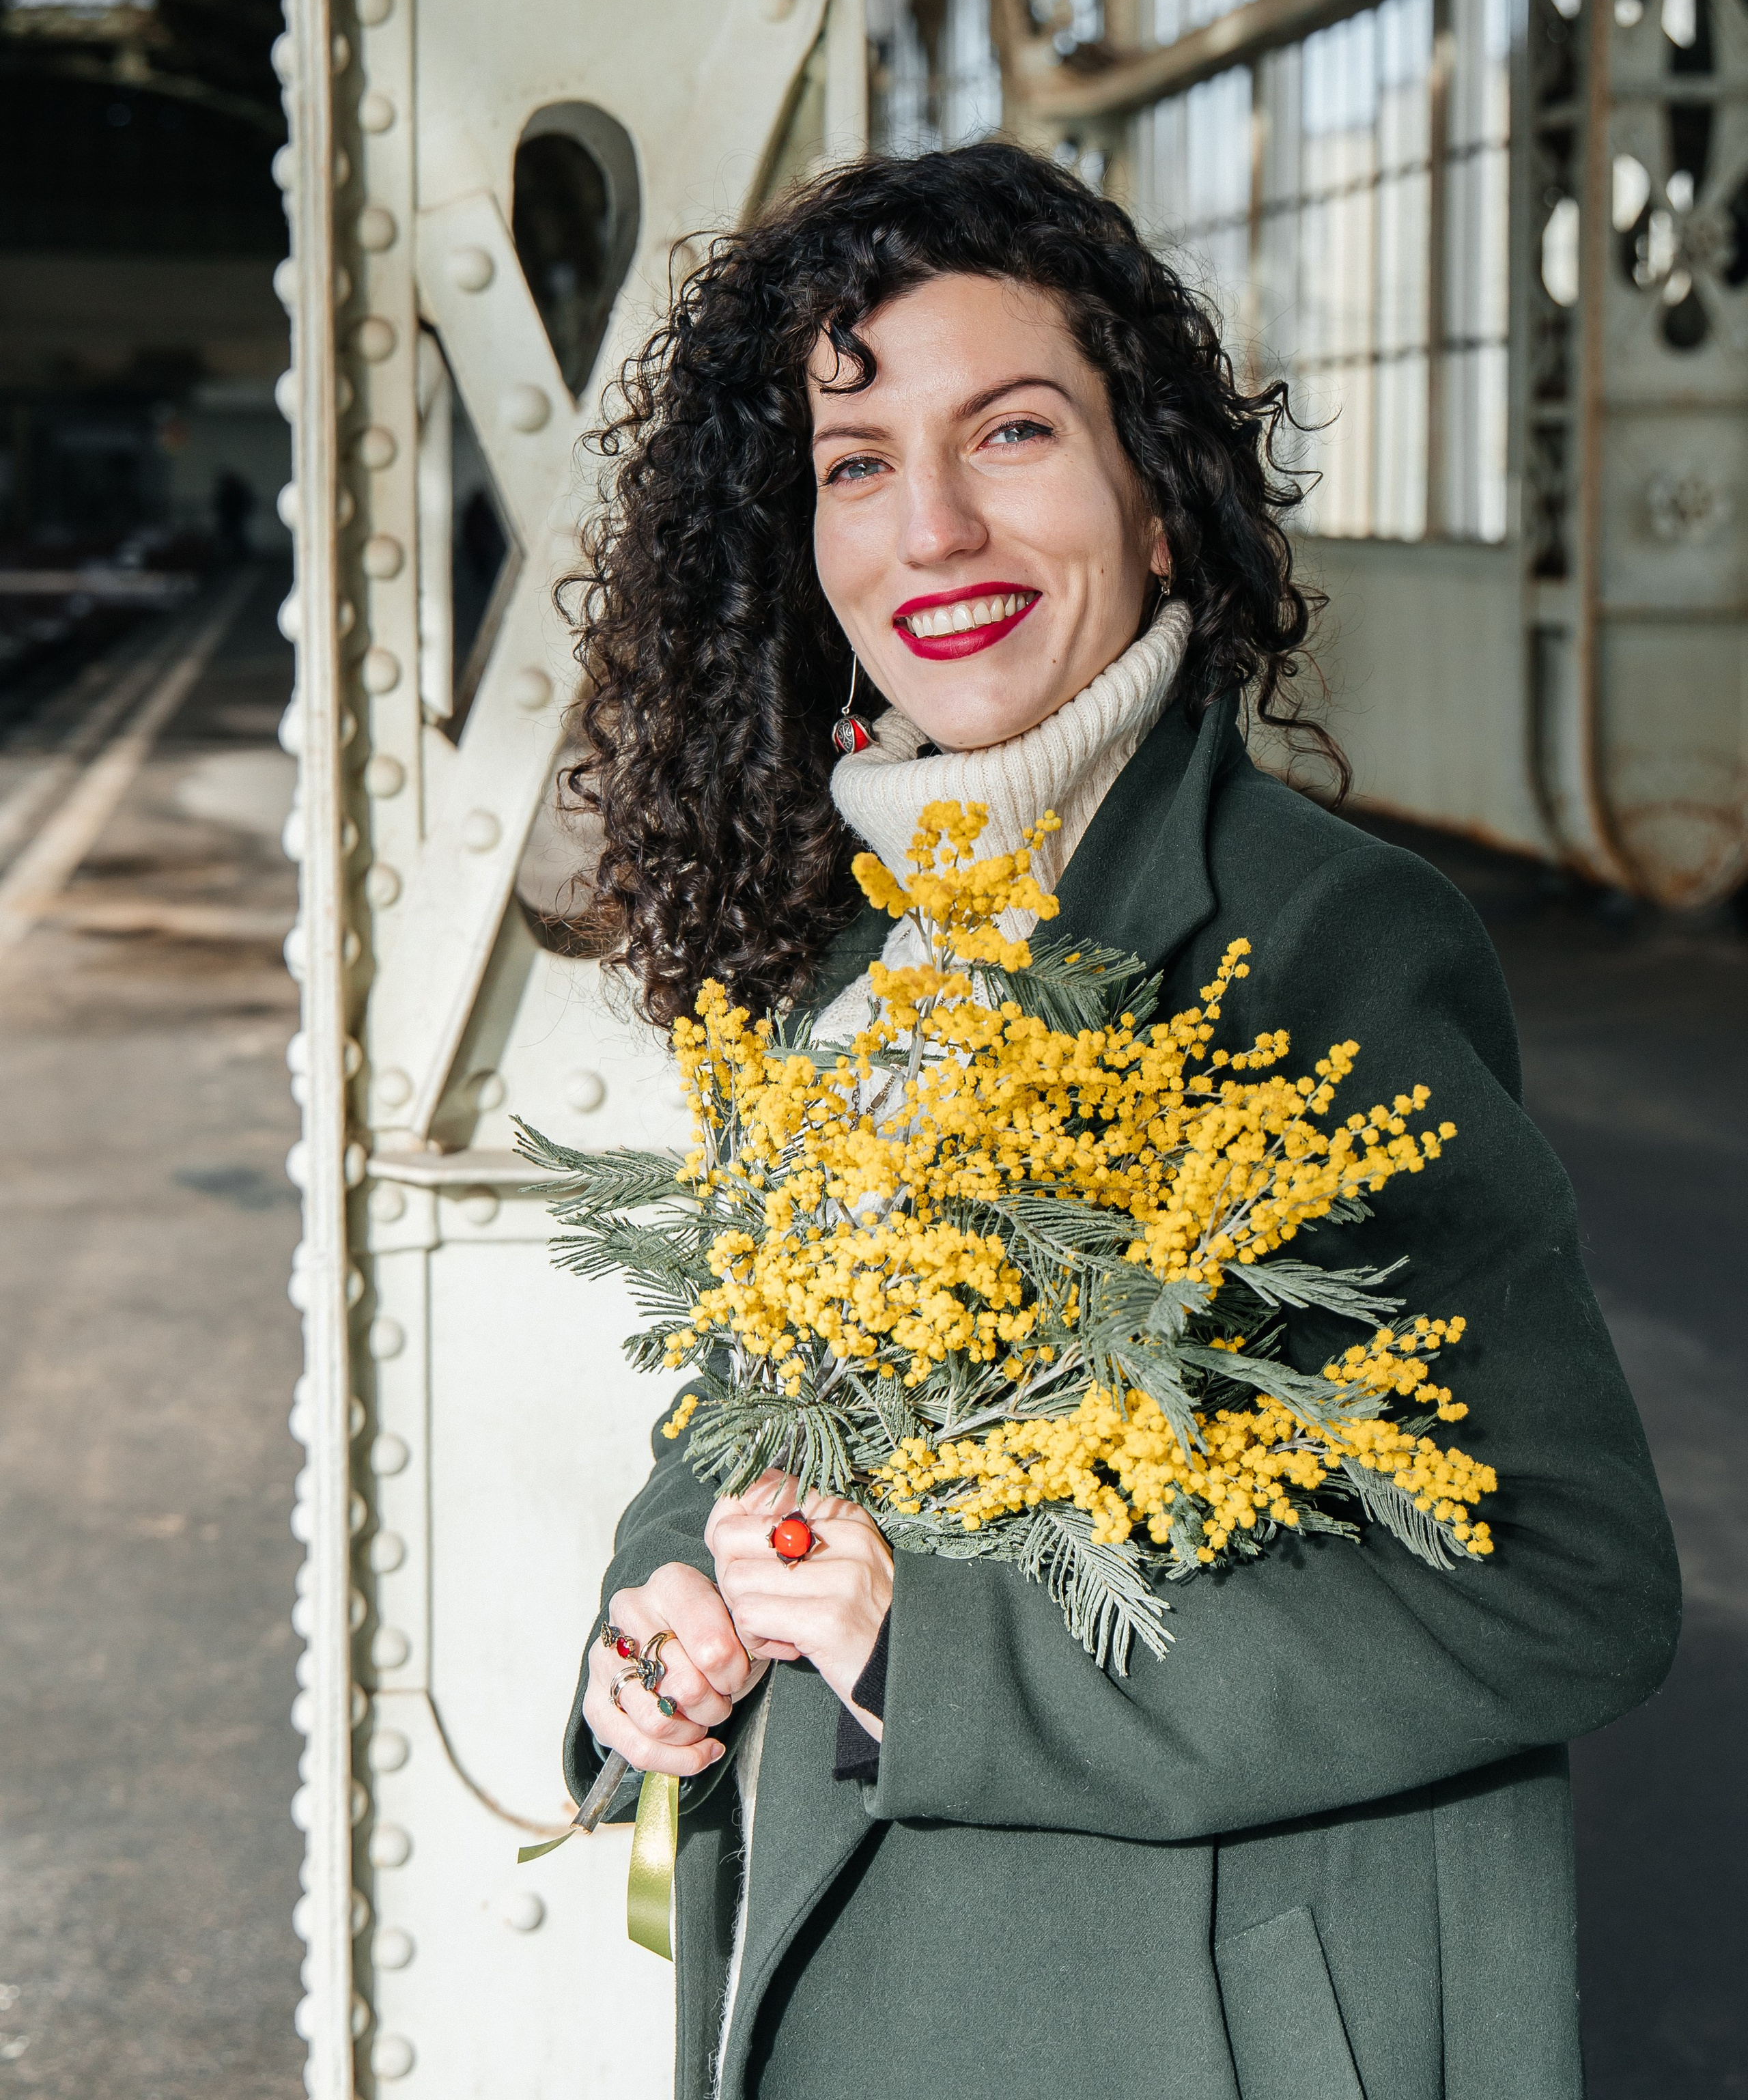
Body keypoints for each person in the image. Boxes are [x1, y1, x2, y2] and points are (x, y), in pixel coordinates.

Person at [557, 143, 1678, 2100]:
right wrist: (660, 1619)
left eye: (1012, 433)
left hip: (1180, 2024)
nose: (931, 528)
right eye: (855, 465)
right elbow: (748, 1411)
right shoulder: (841, 961)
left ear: (1160, 505)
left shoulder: (1332, 951)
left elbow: (1565, 1587)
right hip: (847, 1990)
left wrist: (943, 1657)